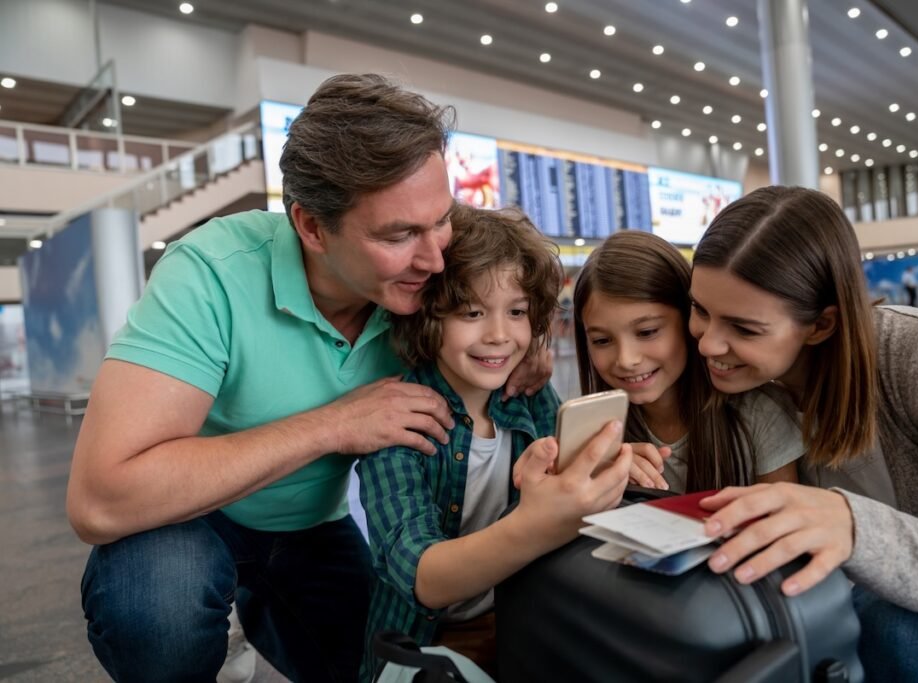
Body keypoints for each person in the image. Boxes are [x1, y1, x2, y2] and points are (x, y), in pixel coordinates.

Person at [66, 74, 551, 682]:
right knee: (159, 612)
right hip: (188, 524)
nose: (433, 257)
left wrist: (527, 343)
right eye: (398, 235)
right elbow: (100, 499)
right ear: (312, 227)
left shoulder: (425, 283)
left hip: (313, 530)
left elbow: (509, 284)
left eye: (441, 220)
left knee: (371, 665)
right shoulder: (210, 272)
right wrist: (333, 425)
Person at [686, 186, 918, 682]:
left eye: (744, 328)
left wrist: (855, 528)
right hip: (845, 629)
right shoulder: (740, 381)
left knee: (903, 633)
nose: (709, 343)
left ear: (822, 324)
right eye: (699, 310)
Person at [358, 204, 632, 680]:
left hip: (522, 621)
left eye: (518, 312)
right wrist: (535, 522)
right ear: (427, 314)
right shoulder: (397, 418)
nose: (500, 336)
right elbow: (419, 574)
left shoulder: (528, 395)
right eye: (472, 312)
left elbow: (569, 488)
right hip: (425, 643)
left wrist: (611, 468)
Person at [571, 230, 802, 492]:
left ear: (691, 319)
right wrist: (599, 476)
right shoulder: (587, 433)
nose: (626, 360)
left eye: (647, 332)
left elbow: (782, 520)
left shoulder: (759, 415)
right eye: (602, 340)